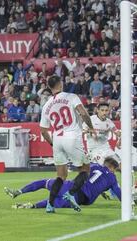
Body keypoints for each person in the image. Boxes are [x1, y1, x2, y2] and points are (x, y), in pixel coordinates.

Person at [39, 75, 95, 213]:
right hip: (72, 136)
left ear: (50, 87)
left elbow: (43, 130)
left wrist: (52, 144)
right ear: (61, 84)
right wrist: (91, 126)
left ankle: (50, 205)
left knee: (61, 176)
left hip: (57, 139)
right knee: (85, 169)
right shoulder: (71, 96)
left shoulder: (46, 105)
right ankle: (70, 194)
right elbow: (83, 113)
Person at [4, 157, 121, 209]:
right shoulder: (113, 179)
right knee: (55, 202)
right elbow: (119, 194)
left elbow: (87, 176)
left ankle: (19, 191)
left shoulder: (94, 165)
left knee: (44, 183)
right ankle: (32, 206)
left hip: (70, 186)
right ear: (112, 168)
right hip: (81, 199)